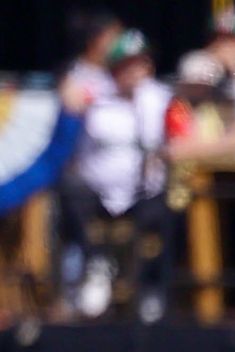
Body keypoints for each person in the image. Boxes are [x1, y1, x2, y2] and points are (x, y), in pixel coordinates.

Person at [60, 29, 172, 321]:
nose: (133, 72)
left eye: (140, 64)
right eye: (126, 65)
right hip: (97, 189)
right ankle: (95, 267)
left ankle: (151, 288)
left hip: (145, 191)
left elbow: (184, 135)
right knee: (70, 188)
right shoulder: (96, 93)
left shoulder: (162, 98)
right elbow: (69, 94)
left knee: (174, 205)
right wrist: (71, 91)